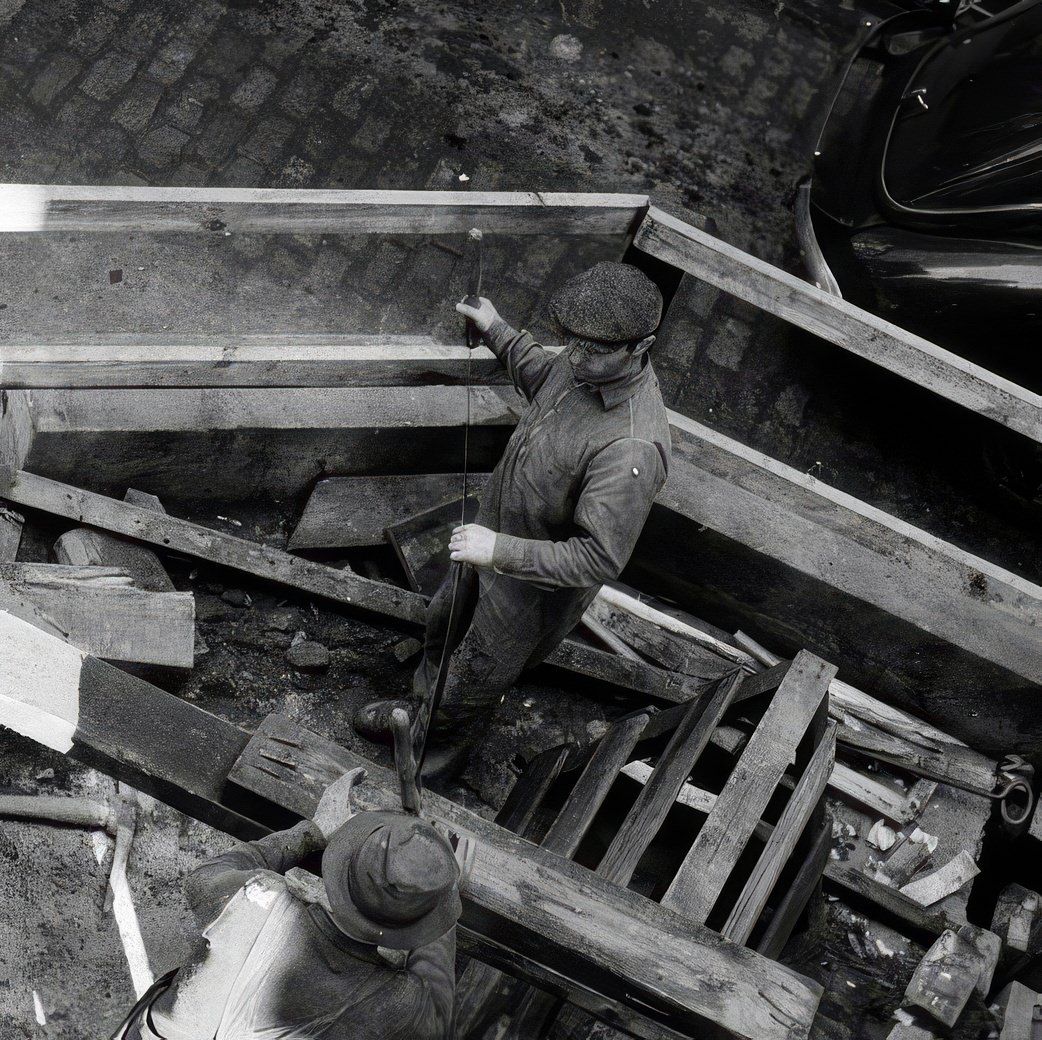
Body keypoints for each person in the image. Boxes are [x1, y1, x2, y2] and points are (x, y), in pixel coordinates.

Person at [355, 260, 671, 781]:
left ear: (639, 347)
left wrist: (498, 551)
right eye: (572, 341)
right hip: (489, 541)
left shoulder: (631, 447)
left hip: (531, 589)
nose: (576, 355)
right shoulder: (585, 361)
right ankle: (414, 710)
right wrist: (497, 330)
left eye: (593, 349)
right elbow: (546, 379)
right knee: (443, 625)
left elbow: (599, 558)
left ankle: (434, 752)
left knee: (475, 672)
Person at [111, 767, 473, 1040]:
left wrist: (311, 832)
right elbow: (440, 1017)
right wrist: (439, 904)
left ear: (344, 861)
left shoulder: (256, 896)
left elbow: (211, 873)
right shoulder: (393, 999)